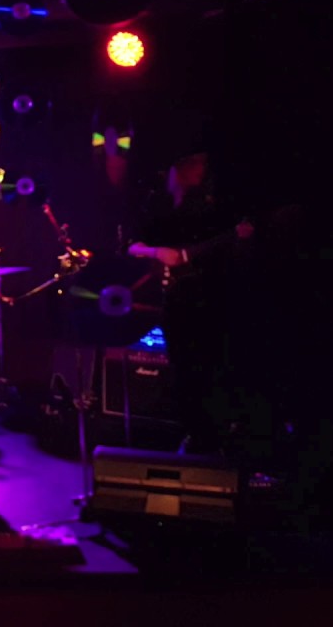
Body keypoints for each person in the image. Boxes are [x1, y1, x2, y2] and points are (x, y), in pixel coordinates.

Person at [127, 152, 253, 454]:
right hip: (173, 304)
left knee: (204, 370)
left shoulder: (213, 212)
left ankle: (207, 439)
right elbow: (133, 247)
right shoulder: (161, 208)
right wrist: (159, 252)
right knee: (184, 369)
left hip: (206, 304)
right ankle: (192, 435)